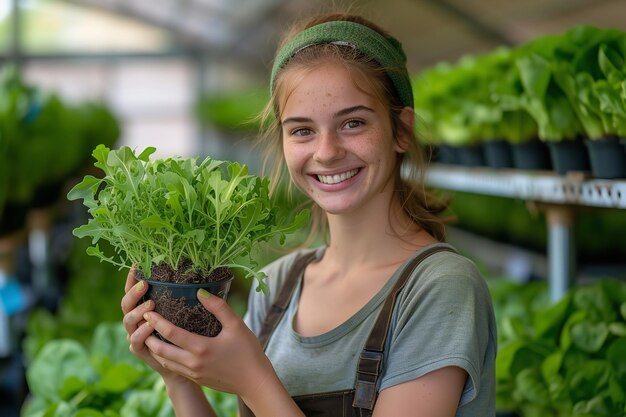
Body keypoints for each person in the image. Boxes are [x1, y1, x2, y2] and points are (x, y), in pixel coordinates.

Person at [121, 12, 497, 417]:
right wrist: (176, 376)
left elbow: (259, 387)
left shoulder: (439, 288)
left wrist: (253, 379)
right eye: (302, 130)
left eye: (353, 123)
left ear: (401, 130)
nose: (327, 151)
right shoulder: (281, 284)